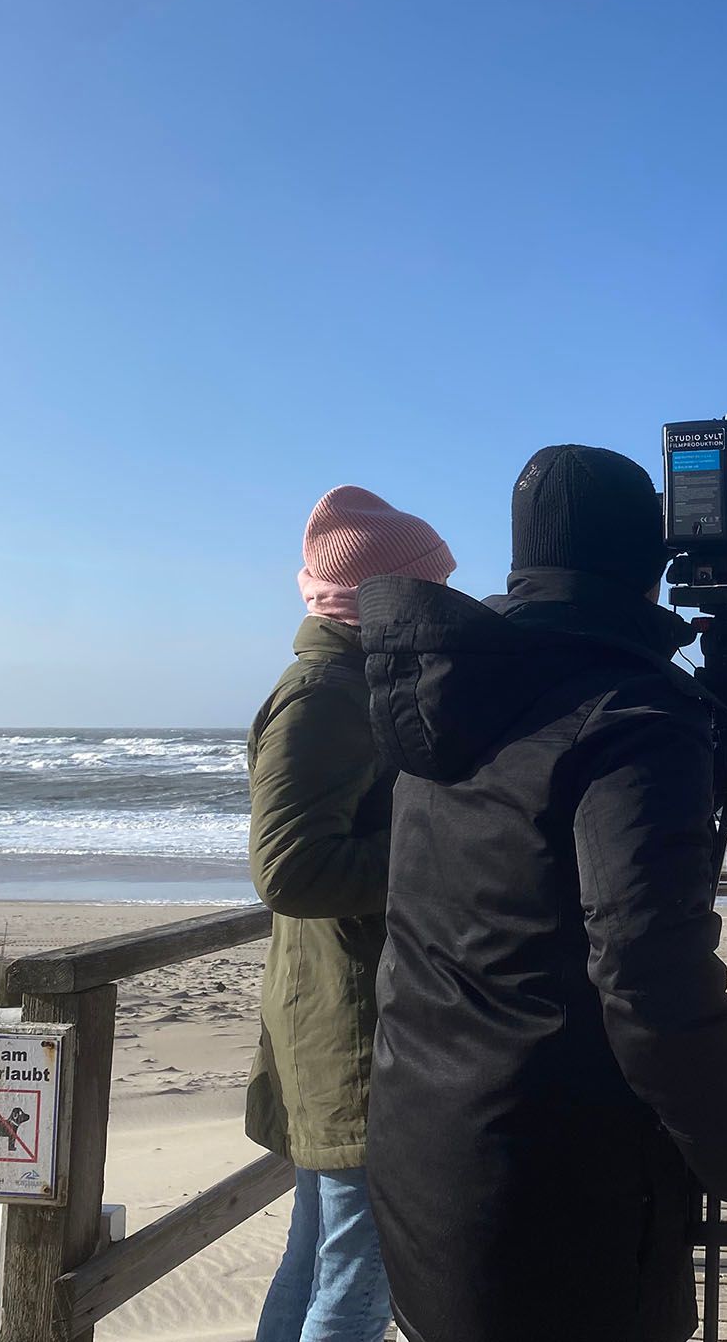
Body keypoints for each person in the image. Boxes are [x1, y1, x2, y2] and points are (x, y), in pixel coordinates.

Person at [359, 444, 727, 1342]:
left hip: (425, 1159)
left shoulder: (452, 684)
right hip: (564, 1207)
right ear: (654, 561)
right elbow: (649, 975)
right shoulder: (633, 712)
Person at [245, 485, 456, 1342]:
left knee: (323, 1256)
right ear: (381, 599)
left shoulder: (354, 681)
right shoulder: (326, 693)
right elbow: (291, 870)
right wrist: (436, 853)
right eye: (430, 589)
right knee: (360, 1277)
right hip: (351, 1025)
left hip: (342, 1013)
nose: (445, 606)